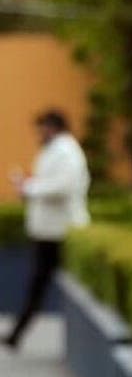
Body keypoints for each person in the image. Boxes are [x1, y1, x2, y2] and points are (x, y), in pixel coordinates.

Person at [4, 110, 90, 349]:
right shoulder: (55, 150)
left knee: (61, 287)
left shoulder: (66, 151)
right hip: (48, 232)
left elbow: (63, 186)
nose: (38, 134)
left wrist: (30, 188)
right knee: (38, 285)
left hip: (61, 233)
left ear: (52, 127)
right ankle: (16, 335)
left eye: (41, 128)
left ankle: (17, 334)